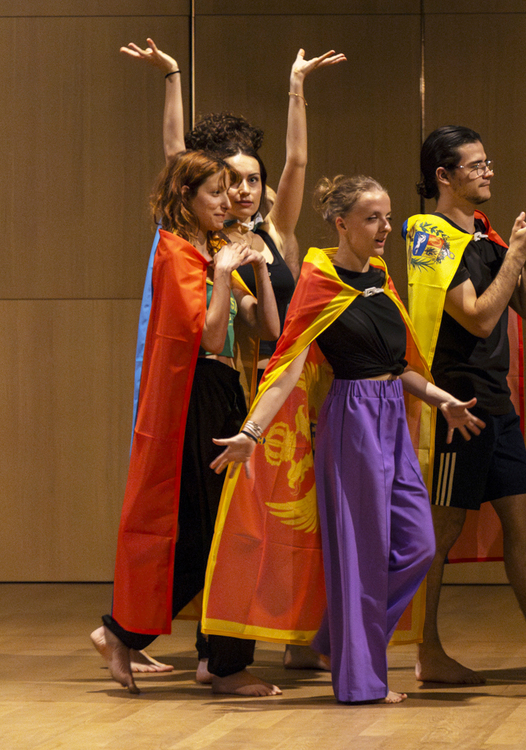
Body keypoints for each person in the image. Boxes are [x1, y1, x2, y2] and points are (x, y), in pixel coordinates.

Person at [210, 175, 485, 704]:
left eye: (387, 217)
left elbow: (397, 363)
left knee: (418, 546)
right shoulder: (319, 280)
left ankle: (334, 639)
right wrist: (251, 433)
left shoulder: (380, 276)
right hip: (353, 419)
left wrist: (440, 399)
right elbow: (287, 368)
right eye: (372, 218)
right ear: (341, 223)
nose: (385, 228)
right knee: (362, 555)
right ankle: (361, 682)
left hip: (392, 416)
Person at [115, 38, 343, 674]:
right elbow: (175, 161)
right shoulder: (206, 241)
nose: (242, 190)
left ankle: (294, 639)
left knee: (290, 519)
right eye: (229, 181)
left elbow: (297, 160)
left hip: (287, 386)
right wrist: (172, 75)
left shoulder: (272, 231)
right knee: (225, 524)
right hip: (233, 386)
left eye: (251, 180)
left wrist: (296, 86)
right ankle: (206, 649)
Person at [97, 151, 281, 696]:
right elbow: (209, 336)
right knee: (214, 533)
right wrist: (222, 273)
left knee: (225, 530)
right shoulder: (177, 252)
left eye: (230, 191)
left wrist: (258, 268)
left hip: (223, 390)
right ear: (186, 196)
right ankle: (205, 658)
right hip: (196, 394)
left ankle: (168, 646)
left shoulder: (213, 249)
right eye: (215, 192)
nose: (228, 201)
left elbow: (268, 328)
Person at [403, 125, 526, 684]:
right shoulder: (429, 236)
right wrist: (516, 255)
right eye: (476, 165)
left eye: (488, 162)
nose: (488, 172)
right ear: (444, 176)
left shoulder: (485, 234)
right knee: (441, 529)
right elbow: (479, 317)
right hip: (455, 402)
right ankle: (427, 652)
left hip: (495, 400)